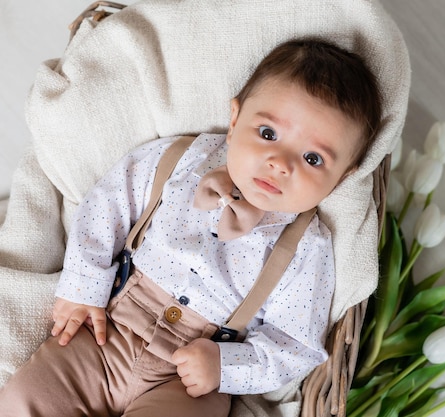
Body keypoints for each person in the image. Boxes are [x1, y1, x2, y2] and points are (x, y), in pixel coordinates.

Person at [0, 38, 381, 417]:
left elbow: (295, 345)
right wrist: (84, 288)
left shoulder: (306, 247)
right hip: (108, 331)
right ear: (235, 121)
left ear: (343, 177)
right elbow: (108, 204)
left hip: (190, 377)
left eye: (313, 158)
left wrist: (225, 365)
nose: (279, 163)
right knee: (26, 399)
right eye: (267, 134)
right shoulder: (182, 159)